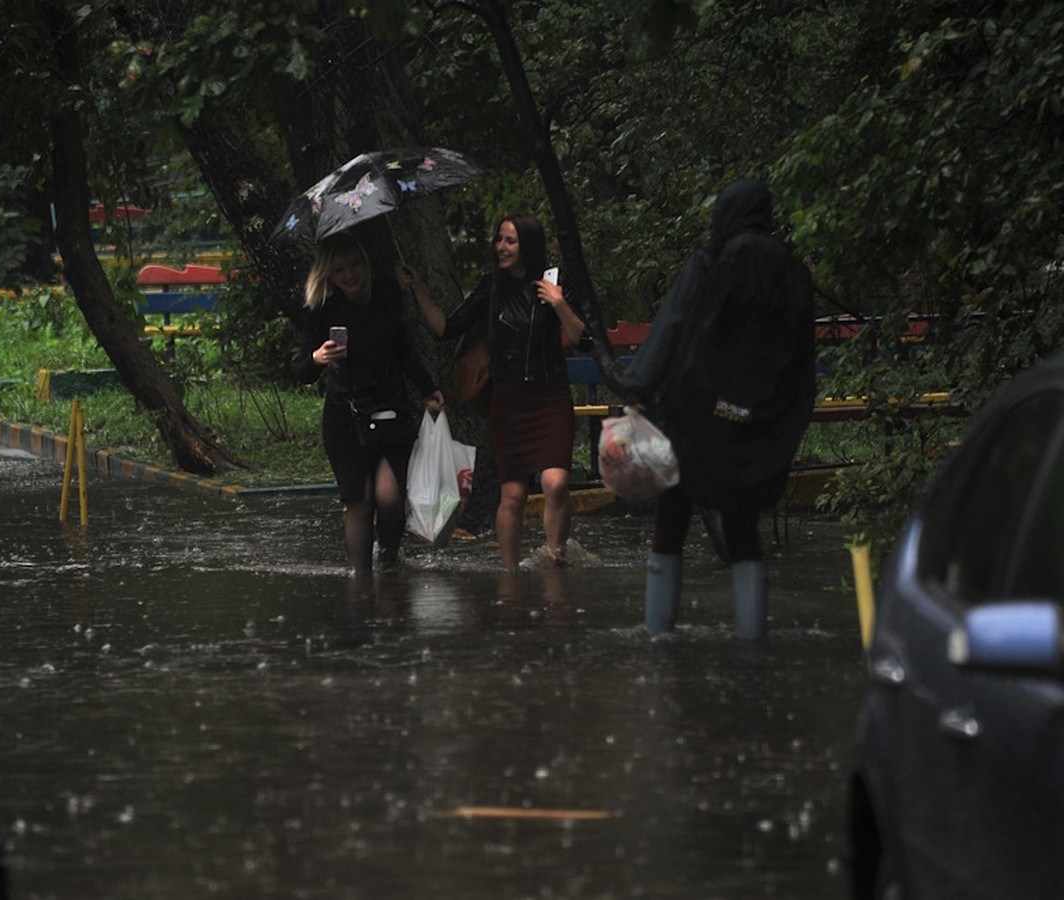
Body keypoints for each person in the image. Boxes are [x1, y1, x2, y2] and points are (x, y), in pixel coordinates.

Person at [621, 179, 816, 639]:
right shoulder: (791, 270)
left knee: (670, 521)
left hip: (694, 416)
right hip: (751, 426)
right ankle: (752, 643)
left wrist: (638, 386)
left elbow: (673, 322)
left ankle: (657, 636)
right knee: (743, 529)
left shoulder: (712, 262)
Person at [400, 214, 587, 569]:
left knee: (557, 483)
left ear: (527, 246)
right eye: (499, 239)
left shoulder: (554, 283)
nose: (501, 247)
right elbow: (446, 327)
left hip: (550, 398)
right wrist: (417, 288)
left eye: (510, 241)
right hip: (509, 403)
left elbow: (582, 338)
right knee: (513, 494)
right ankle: (510, 572)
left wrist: (559, 303)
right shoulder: (492, 287)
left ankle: (556, 559)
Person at [297, 233, 445, 574]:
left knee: (390, 497)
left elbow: (404, 350)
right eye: (340, 270)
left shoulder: (388, 294)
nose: (350, 275)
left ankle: (389, 561)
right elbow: (301, 371)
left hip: (391, 408)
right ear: (330, 276)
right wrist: (317, 358)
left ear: (365, 263)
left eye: (355, 265)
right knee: (359, 503)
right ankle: (359, 579)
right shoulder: (323, 308)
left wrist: (426, 387)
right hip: (346, 415)